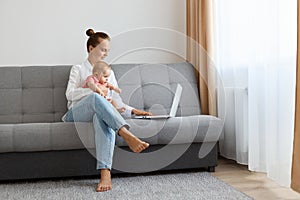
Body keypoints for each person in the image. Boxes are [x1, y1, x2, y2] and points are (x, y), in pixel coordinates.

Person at [63, 29, 152, 192]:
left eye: (108, 51)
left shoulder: (108, 72)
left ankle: (105, 173)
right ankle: (126, 134)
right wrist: (93, 91)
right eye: (103, 50)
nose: (105, 54)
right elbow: (69, 94)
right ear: (91, 48)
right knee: (96, 99)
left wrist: (133, 111)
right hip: (75, 114)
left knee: (101, 117)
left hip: (99, 113)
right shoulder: (78, 69)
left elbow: (115, 102)